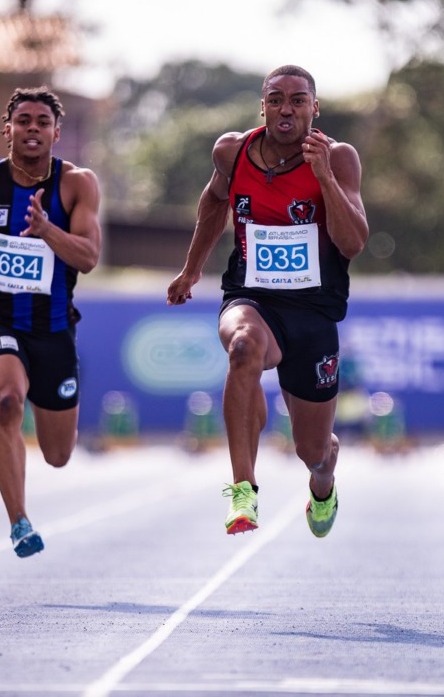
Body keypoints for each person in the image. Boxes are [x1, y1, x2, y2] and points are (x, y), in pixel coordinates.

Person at [167, 65, 369, 538]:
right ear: (263, 106)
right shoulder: (231, 151)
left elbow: (354, 242)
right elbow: (215, 203)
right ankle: (243, 491)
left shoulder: (337, 158)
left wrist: (323, 177)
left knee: (311, 450)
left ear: (314, 109)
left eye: (298, 100)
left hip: (314, 311)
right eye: (276, 98)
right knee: (243, 348)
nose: (286, 108)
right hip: (252, 295)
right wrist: (192, 267)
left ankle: (324, 480)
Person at [0, 86, 100, 558]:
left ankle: (48, 417)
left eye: (42, 122)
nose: (33, 129)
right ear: (7, 128)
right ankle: (19, 522)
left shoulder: (77, 185)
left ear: (56, 132)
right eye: (24, 120)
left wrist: (47, 230)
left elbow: (90, 257)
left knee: (58, 454)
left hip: (52, 328)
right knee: (8, 402)